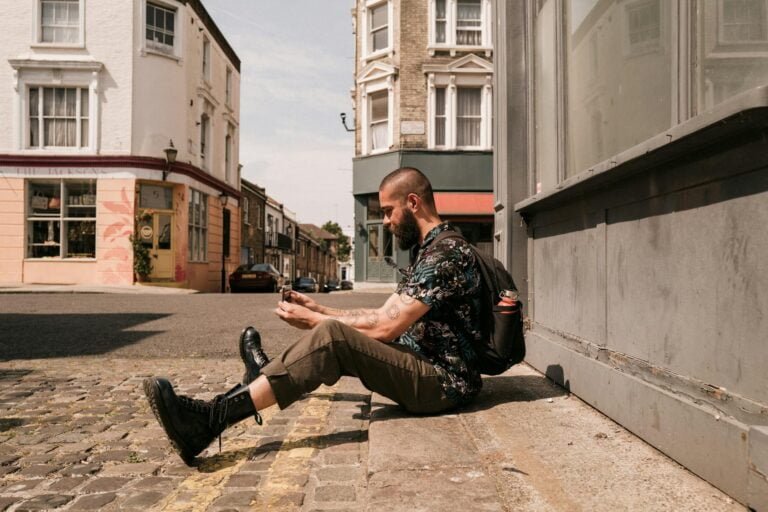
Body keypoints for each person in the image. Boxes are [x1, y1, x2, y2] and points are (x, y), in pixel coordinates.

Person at [143, 167, 484, 465]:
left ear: (413, 203)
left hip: (443, 382)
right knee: (332, 335)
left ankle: (209, 421)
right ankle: (258, 380)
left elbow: (385, 327)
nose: (386, 221)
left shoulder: (447, 255)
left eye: (388, 211)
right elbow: (382, 314)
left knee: (332, 338)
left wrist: (315, 322)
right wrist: (319, 310)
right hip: (424, 364)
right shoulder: (431, 252)